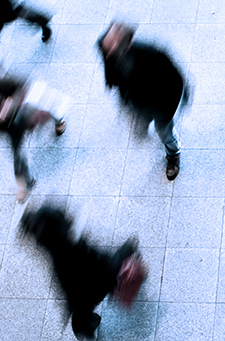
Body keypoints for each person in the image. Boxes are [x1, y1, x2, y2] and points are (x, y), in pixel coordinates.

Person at [21, 205, 146, 340]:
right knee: (115, 263)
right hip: (100, 274)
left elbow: (68, 288)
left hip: (90, 288)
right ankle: (130, 251)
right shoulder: (71, 243)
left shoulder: (58, 256)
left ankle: (88, 332)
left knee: (80, 321)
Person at [97, 22, 187, 181]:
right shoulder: (107, 51)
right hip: (137, 102)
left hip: (160, 104)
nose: (107, 45)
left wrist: (179, 99)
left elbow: (176, 77)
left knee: (164, 131)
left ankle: (173, 154)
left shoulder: (151, 54)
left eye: (113, 41)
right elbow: (111, 72)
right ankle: (145, 125)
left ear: (128, 42)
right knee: (141, 122)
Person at [0, 75, 70, 202]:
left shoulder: (2, 83)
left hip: (21, 112)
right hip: (10, 127)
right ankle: (25, 181)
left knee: (49, 110)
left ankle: (59, 120)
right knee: (17, 153)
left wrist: (9, 105)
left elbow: (21, 84)